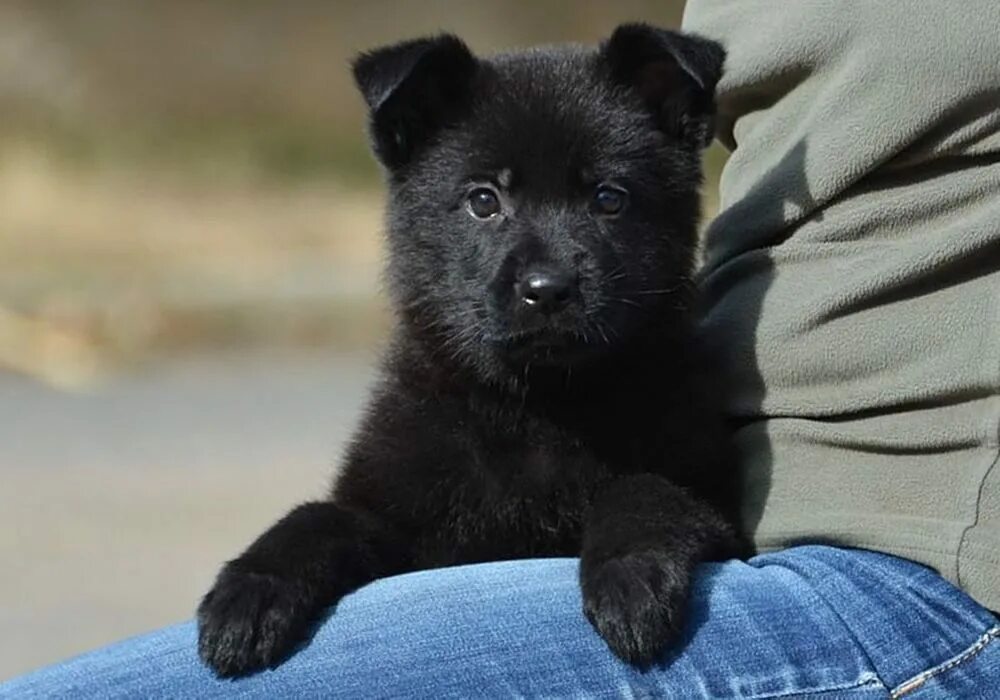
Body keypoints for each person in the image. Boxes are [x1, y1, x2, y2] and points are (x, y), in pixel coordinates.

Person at [3, 2, 997, 697]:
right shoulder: (419, 416)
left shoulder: (677, 397)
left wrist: (644, 516)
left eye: (603, 199)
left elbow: (692, 494)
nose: (545, 264)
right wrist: (299, 551)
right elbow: (374, 524)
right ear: (415, 175)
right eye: (487, 200)